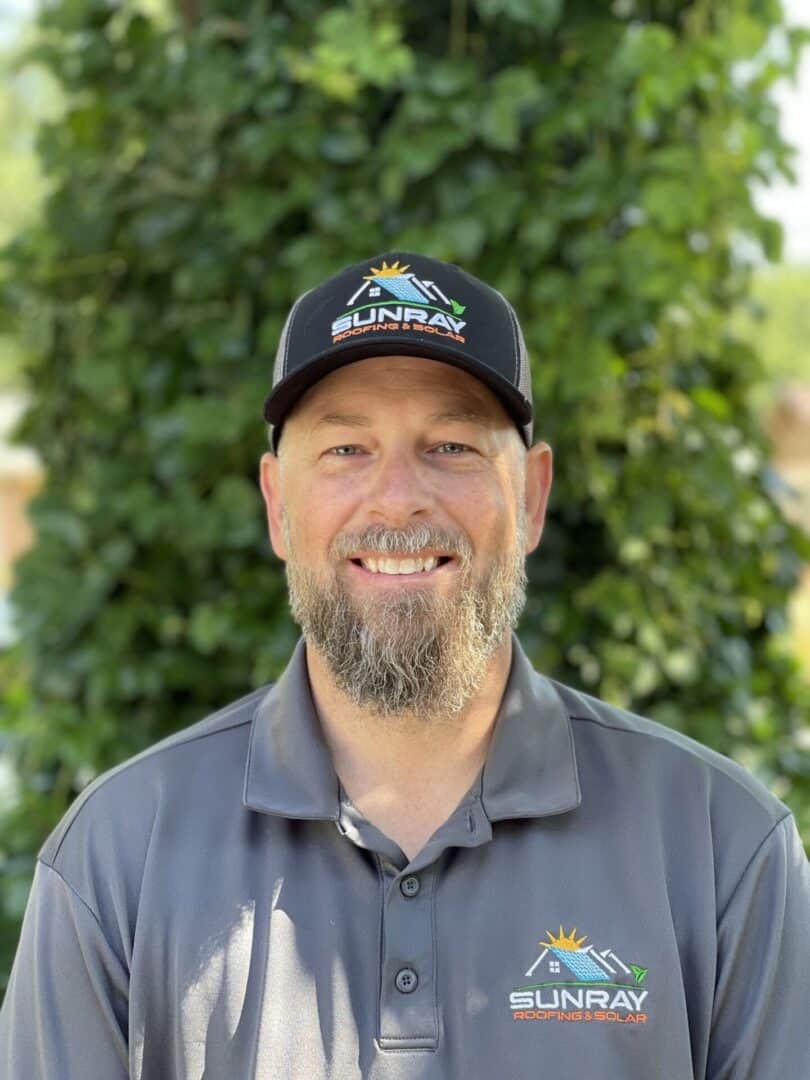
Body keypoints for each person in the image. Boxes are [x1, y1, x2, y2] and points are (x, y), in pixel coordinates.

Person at [1, 251, 808, 1078]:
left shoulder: (721, 851)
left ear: (530, 497)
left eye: (452, 445)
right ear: (278, 505)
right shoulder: (116, 858)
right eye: (347, 450)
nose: (396, 498)